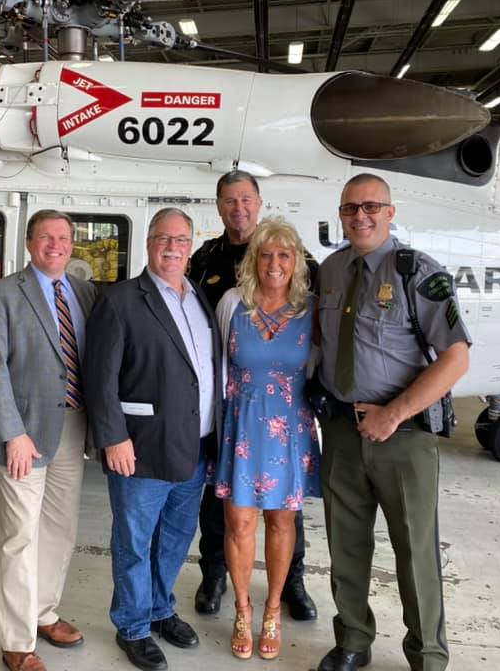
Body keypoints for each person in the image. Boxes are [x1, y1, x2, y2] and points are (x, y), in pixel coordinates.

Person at [313, 173, 471, 671]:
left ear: (390, 211)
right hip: (341, 430)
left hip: (402, 437)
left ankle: (427, 655)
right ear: (340, 214)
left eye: (371, 206)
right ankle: (354, 640)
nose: (361, 215)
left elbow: (456, 358)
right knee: (346, 546)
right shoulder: (329, 271)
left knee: (415, 551)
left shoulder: (418, 272)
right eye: (350, 208)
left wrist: (395, 413)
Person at [83, 208, 223, 671]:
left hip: (195, 447)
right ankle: (133, 626)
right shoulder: (121, 299)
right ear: (148, 243)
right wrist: (113, 438)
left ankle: (161, 609)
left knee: (176, 538)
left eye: (180, 240)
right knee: (134, 542)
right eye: (163, 238)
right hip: (138, 447)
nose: (172, 247)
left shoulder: (199, 298)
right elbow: (99, 378)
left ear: (190, 245)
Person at [188, 169, 318, 621]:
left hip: (286, 422)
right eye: (229, 201)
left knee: (286, 514)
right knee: (223, 511)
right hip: (236, 417)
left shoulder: (307, 285)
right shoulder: (206, 262)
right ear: (220, 206)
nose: (238, 208)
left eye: (246, 199)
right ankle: (215, 577)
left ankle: (291, 585)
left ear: (258, 203)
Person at [0, 210, 97, 671]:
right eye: (47, 237)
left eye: (64, 237)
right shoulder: (1, 294)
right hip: (22, 437)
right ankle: (18, 640)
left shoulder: (84, 293)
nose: (56, 245)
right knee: (17, 537)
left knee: (59, 530)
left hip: (73, 427)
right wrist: (13, 434)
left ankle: (44, 612)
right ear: (29, 243)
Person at [212, 217, 322, 661]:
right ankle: (242, 609)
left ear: (295, 262)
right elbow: (218, 368)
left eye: (283, 254)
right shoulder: (231, 304)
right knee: (239, 523)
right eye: (265, 253)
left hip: (290, 432)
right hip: (241, 428)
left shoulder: (311, 309)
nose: (274, 263)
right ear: (253, 260)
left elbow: (318, 370)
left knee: (282, 523)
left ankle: (273, 610)